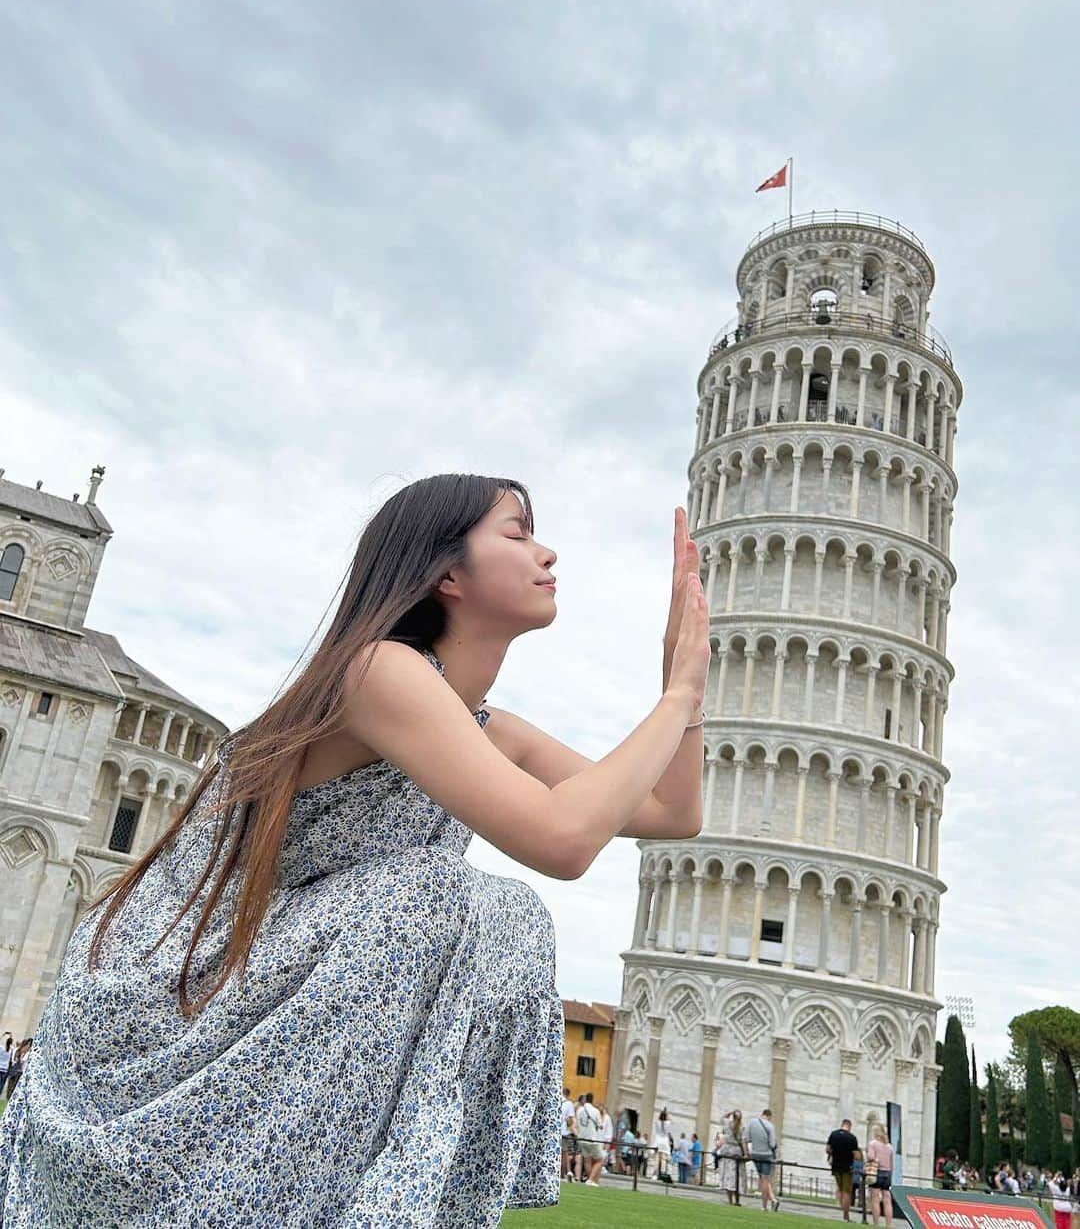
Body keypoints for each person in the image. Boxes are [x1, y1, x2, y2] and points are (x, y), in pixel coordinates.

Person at [0, 481, 713, 1227]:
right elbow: (563, 840)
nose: (547, 551)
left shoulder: (487, 727)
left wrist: (682, 691)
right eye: (518, 533)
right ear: (446, 573)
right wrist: (673, 700)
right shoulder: (377, 670)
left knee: (500, 915)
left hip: (285, 980)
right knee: (447, 900)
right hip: (173, 993)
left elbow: (673, 812)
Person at [827, 1118, 859, 1222]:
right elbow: (856, 1155)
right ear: (849, 1126)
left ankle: (842, 1209)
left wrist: (832, 1155)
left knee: (840, 1189)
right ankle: (846, 1215)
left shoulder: (833, 1134)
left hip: (835, 1165)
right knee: (846, 1192)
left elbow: (828, 1149)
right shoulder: (852, 1138)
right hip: (847, 1167)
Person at [748, 1107, 779, 1210]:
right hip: (766, 1155)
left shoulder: (752, 1122)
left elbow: (748, 1138)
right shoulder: (770, 1126)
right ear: (769, 1116)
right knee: (765, 1179)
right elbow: (772, 1143)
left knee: (762, 1178)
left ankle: (772, 1200)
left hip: (755, 1154)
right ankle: (765, 1206)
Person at [866, 1121, 895, 1228]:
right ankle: (889, 1224)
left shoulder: (873, 1144)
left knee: (875, 1199)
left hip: (876, 1172)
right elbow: (892, 1164)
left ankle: (876, 1223)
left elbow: (870, 1157)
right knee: (887, 1200)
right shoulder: (889, 1147)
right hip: (887, 1174)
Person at [719, 1109, 748, 1204]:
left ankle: (730, 1200)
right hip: (736, 1151)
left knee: (728, 1176)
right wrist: (746, 1153)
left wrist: (730, 1112)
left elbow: (722, 1117)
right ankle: (737, 1199)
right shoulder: (742, 1127)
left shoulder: (728, 1123)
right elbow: (743, 1142)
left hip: (727, 1150)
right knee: (737, 1176)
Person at [577, 1092, 605, 1186]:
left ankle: (589, 1179)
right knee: (600, 1159)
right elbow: (600, 1126)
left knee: (587, 1160)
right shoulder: (595, 1111)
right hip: (592, 1138)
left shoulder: (579, 1110)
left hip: (581, 1137)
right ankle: (591, 1179)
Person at [560, 1086, 577, 1181]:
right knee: (565, 1153)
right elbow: (570, 1121)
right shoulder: (569, 1103)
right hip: (563, 1132)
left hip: (554, 1133)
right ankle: (568, 1172)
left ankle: (561, 1173)